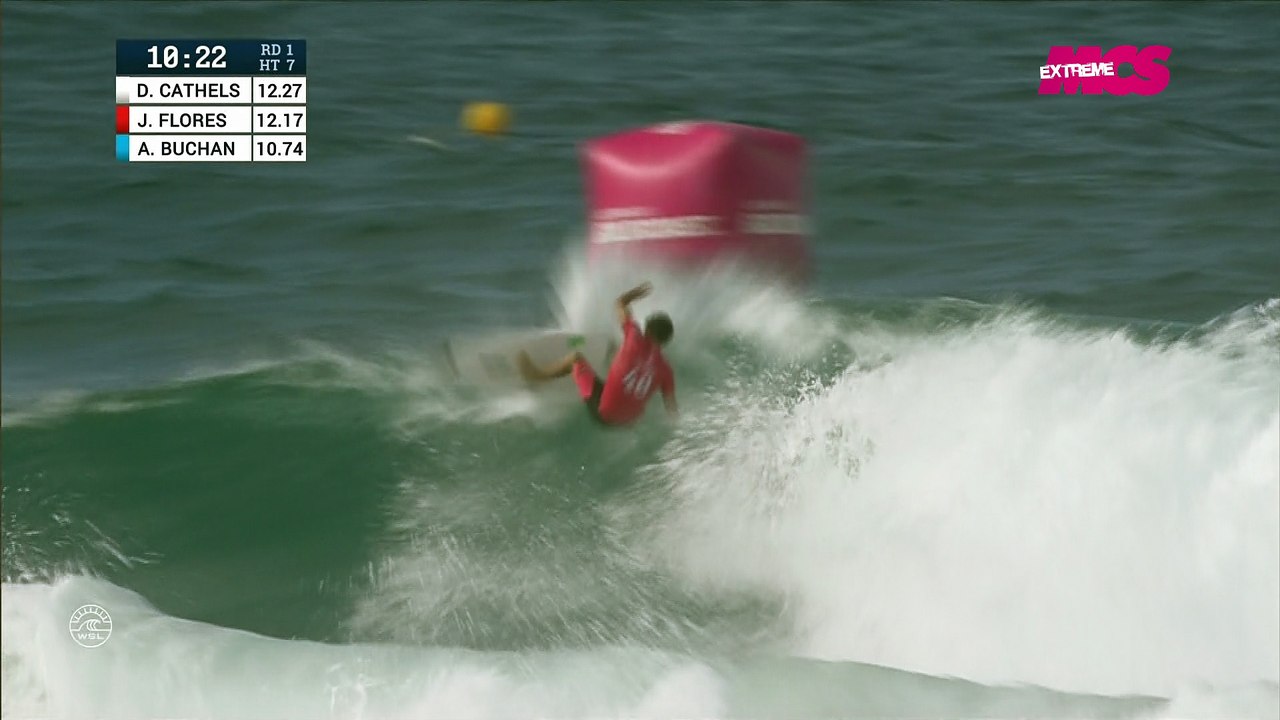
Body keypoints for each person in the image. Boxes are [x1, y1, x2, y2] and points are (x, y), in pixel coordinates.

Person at [518, 282, 677, 426]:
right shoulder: (666, 370)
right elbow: (671, 408)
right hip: (627, 422)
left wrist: (633, 294)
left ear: (646, 330)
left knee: (575, 359)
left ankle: (536, 376)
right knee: (615, 349)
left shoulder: (634, 336)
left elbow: (620, 303)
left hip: (604, 413)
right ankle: (606, 376)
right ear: (665, 340)